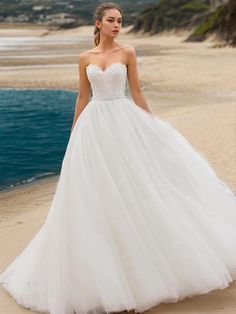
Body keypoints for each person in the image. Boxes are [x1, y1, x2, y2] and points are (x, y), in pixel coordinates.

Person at [0, 2, 236, 314]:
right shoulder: (85, 58)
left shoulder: (128, 52)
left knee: (134, 186)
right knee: (95, 193)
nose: (117, 25)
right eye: (111, 20)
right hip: (93, 126)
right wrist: (74, 135)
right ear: (97, 23)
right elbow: (83, 96)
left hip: (123, 122)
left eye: (120, 20)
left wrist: (151, 125)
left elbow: (136, 92)